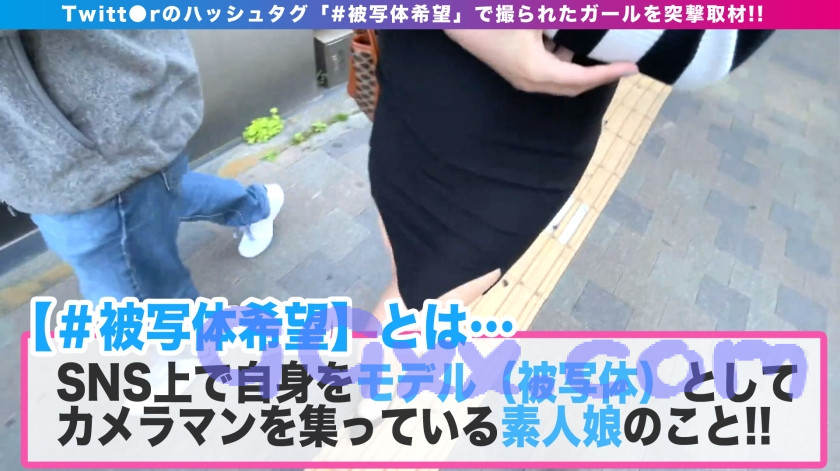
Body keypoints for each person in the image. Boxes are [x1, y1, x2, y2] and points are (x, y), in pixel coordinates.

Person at [365, 29, 773, 319]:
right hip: (502, 134)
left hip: (470, 98)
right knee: (426, 292)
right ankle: (374, 395)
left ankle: (374, 387)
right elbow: (705, 44)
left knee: (421, 281)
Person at [0, 30, 285, 303]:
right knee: (157, 197)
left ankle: (254, 208)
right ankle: (255, 206)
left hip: (89, 147)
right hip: (55, 151)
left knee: (139, 304)